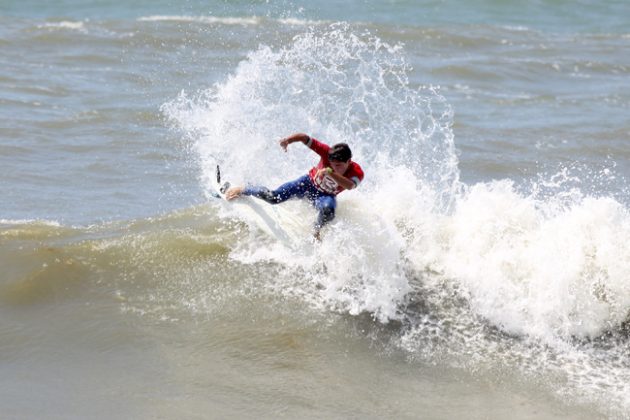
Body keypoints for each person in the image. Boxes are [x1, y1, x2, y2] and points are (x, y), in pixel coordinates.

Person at [225, 133, 364, 240]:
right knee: (273, 197)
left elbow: (350, 186)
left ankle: (316, 231)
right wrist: (288, 141)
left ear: (349, 161)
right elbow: (304, 138)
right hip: (306, 184)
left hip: (325, 196)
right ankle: (246, 188)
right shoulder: (326, 152)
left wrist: (329, 172)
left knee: (329, 212)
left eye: (338, 165)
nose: (334, 167)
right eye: (331, 164)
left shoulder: (357, 172)